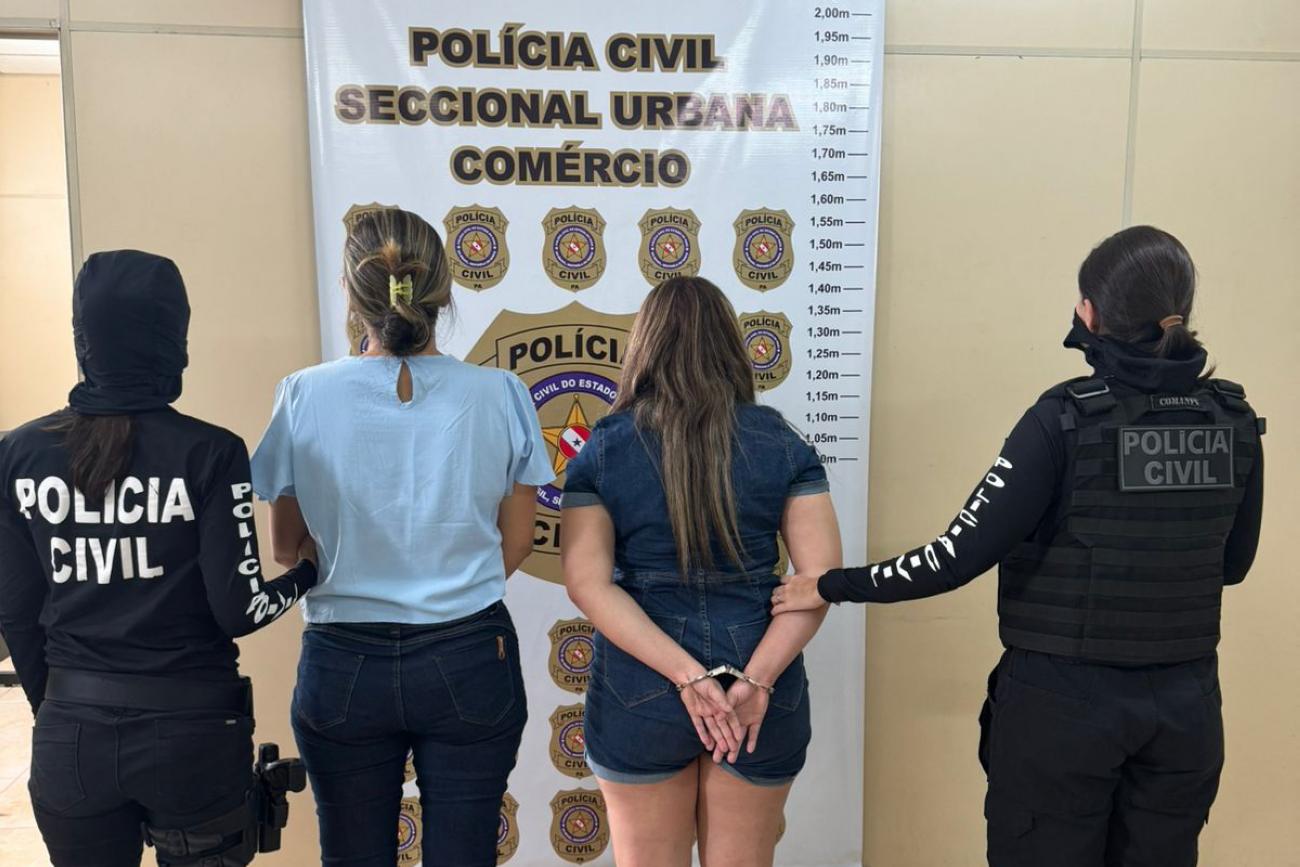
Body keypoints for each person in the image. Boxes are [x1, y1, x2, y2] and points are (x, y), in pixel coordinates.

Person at [774, 226, 1265, 867]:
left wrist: (830, 584)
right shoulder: (1232, 417)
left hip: (1064, 707)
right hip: (1185, 708)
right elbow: (1233, 564)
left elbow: (954, 557)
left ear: (1089, 313)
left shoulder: (1065, 418)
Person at [251, 206, 553, 867]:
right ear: (443, 288)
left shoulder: (303, 394)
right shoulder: (501, 393)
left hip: (343, 660)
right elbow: (518, 541)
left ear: (350, 291)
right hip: (469, 651)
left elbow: (284, 548)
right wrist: (448, 582)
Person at [0, 250, 319, 867]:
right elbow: (240, 610)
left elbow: (15, 612)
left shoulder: (16, 455)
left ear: (84, 338)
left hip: (73, 734)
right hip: (193, 736)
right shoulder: (212, 452)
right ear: (174, 341)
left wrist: (58, 711)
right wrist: (308, 571)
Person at [562, 276, 843, 867]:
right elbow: (819, 582)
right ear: (730, 347)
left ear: (645, 347)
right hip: (759, 684)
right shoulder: (782, 444)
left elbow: (587, 584)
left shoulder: (605, 448)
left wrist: (687, 678)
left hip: (640, 685)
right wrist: (756, 682)